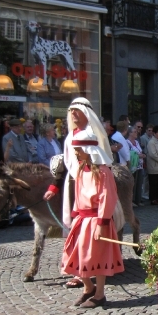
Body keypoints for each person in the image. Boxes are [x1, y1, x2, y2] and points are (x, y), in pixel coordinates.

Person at [44, 97, 114, 289]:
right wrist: (54, 186)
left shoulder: (94, 135)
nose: (73, 114)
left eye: (77, 110)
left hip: (95, 179)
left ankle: (99, 266)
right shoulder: (69, 136)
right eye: (71, 111)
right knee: (73, 229)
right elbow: (65, 163)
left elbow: (102, 161)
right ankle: (79, 270)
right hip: (75, 182)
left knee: (94, 228)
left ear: (86, 112)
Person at [60, 128, 124, 309]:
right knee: (76, 255)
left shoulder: (104, 172)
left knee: (95, 258)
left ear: (88, 150)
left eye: (78, 149)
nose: (76, 153)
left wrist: (102, 223)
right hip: (83, 219)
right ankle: (88, 287)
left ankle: (100, 294)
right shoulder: (81, 170)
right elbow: (78, 194)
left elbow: (107, 197)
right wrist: (75, 214)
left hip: (97, 220)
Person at [127, 126, 145, 206]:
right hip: (132, 166)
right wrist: (139, 155)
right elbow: (129, 153)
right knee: (132, 183)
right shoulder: (127, 142)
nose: (136, 133)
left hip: (140, 165)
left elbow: (140, 151)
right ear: (130, 133)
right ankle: (131, 201)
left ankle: (138, 200)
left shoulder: (137, 142)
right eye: (134, 131)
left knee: (139, 183)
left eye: (136, 132)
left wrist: (142, 155)